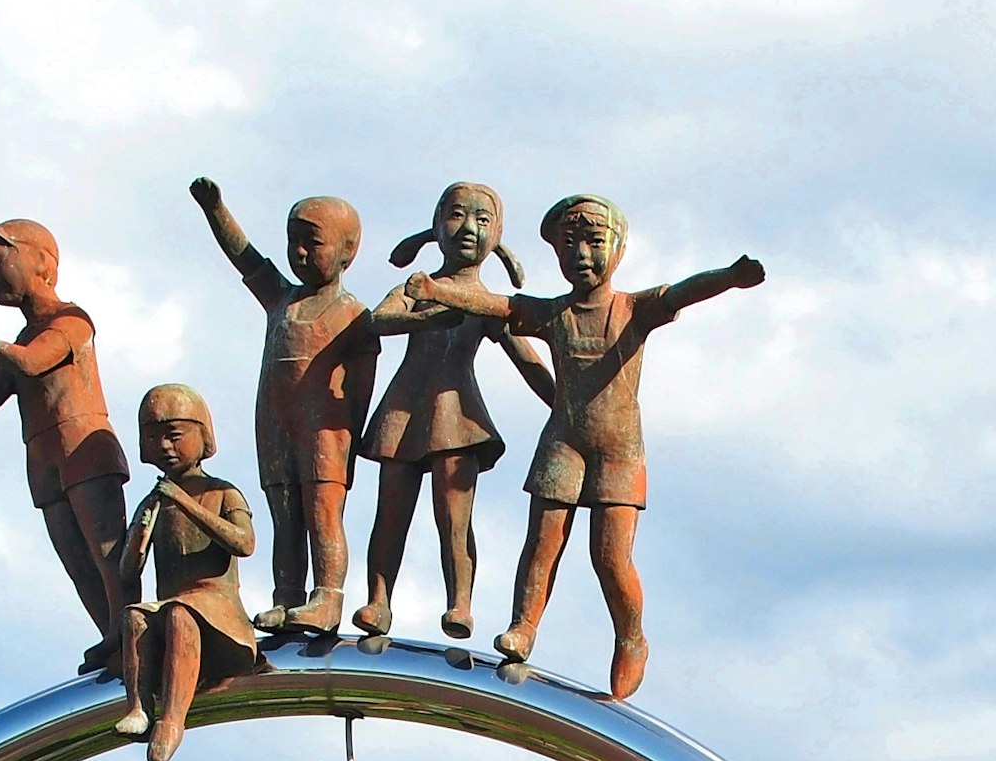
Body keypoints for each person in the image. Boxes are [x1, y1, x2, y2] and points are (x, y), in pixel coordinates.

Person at [405, 193, 763, 702]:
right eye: (569, 245)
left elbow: (681, 293)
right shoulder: (555, 313)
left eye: (595, 243)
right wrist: (439, 290)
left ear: (616, 249)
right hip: (564, 442)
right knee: (543, 542)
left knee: (610, 557)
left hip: (619, 451)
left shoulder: (633, 309)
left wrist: (729, 276)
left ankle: (630, 637)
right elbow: (502, 306)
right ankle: (523, 627)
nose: (582, 255)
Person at [353, 181, 552, 645]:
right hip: (403, 413)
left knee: (454, 515)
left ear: (496, 234)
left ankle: (460, 601)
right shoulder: (418, 286)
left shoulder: (487, 304)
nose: (468, 228)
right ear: (438, 225)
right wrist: (424, 316)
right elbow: (377, 320)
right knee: (390, 513)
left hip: (457, 416)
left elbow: (527, 359)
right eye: (458, 215)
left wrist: (567, 406)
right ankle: (378, 600)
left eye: (483, 220)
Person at [0, 217, 133, 650]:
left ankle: (129, 632)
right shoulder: (22, 336)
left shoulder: (72, 320)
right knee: (76, 559)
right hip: (43, 457)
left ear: (40, 261)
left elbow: (33, 362)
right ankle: (109, 635)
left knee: (108, 553)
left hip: (83, 448)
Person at [189, 178, 378, 637]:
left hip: (326, 430)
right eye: (293, 243)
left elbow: (363, 383)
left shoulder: (354, 315)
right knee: (284, 514)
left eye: (312, 243)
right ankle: (287, 596)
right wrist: (216, 209)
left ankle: (327, 597)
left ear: (347, 251)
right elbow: (245, 256)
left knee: (321, 513)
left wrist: (352, 433)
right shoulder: (281, 298)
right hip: (275, 425)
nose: (299, 254)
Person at [112, 383, 261, 761]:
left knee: (181, 614)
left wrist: (185, 503)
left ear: (201, 434)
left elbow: (243, 543)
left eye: (174, 436)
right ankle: (139, 706)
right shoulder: (154, 500)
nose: (165, 446)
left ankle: (172, 721)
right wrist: (142, 533)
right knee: (135, 616)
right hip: (172, 604)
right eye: (154, 437)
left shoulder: (223, 493)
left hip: (218, 611)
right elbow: (129, 571)